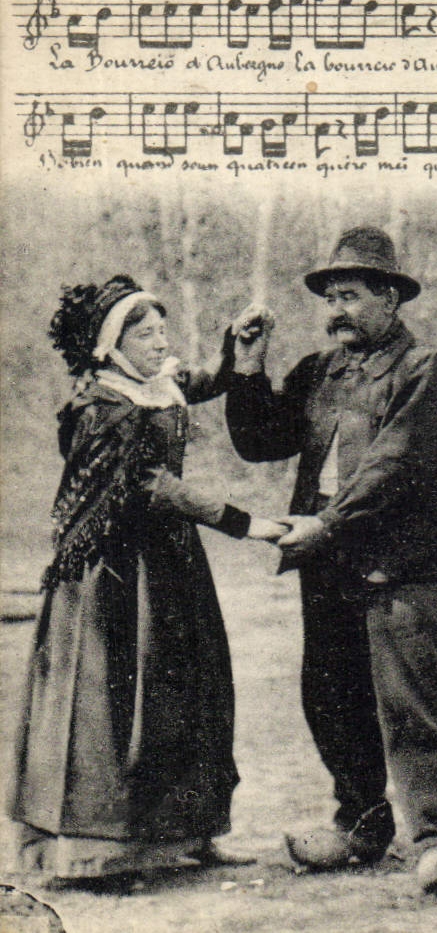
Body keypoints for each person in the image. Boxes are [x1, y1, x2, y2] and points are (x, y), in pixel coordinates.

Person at [224, 227, 437, 896]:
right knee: (331, 698)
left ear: (391, 297)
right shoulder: (319, 371)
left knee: (411, 705)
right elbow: (259, 440)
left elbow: (394, 466)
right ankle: (362, 825)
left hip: (398, 565)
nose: (336, 309)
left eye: (352, 295)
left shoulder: (427, 370)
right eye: (329, 296)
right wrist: (247, 365)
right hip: (325, 564)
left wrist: (328, 525)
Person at [7, 276, 284, 885]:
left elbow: (195, 383)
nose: (161, 343)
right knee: (112, 705)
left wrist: (235, 351)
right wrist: (246, 523)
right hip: (110, 578)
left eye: (163, 331)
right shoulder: (102, 407)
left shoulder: (149, 387)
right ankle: (100, 852)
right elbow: (150, 484)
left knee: (191, 693)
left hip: (167, 567)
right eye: (146, 334)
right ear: (112, 345)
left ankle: (192, 833)